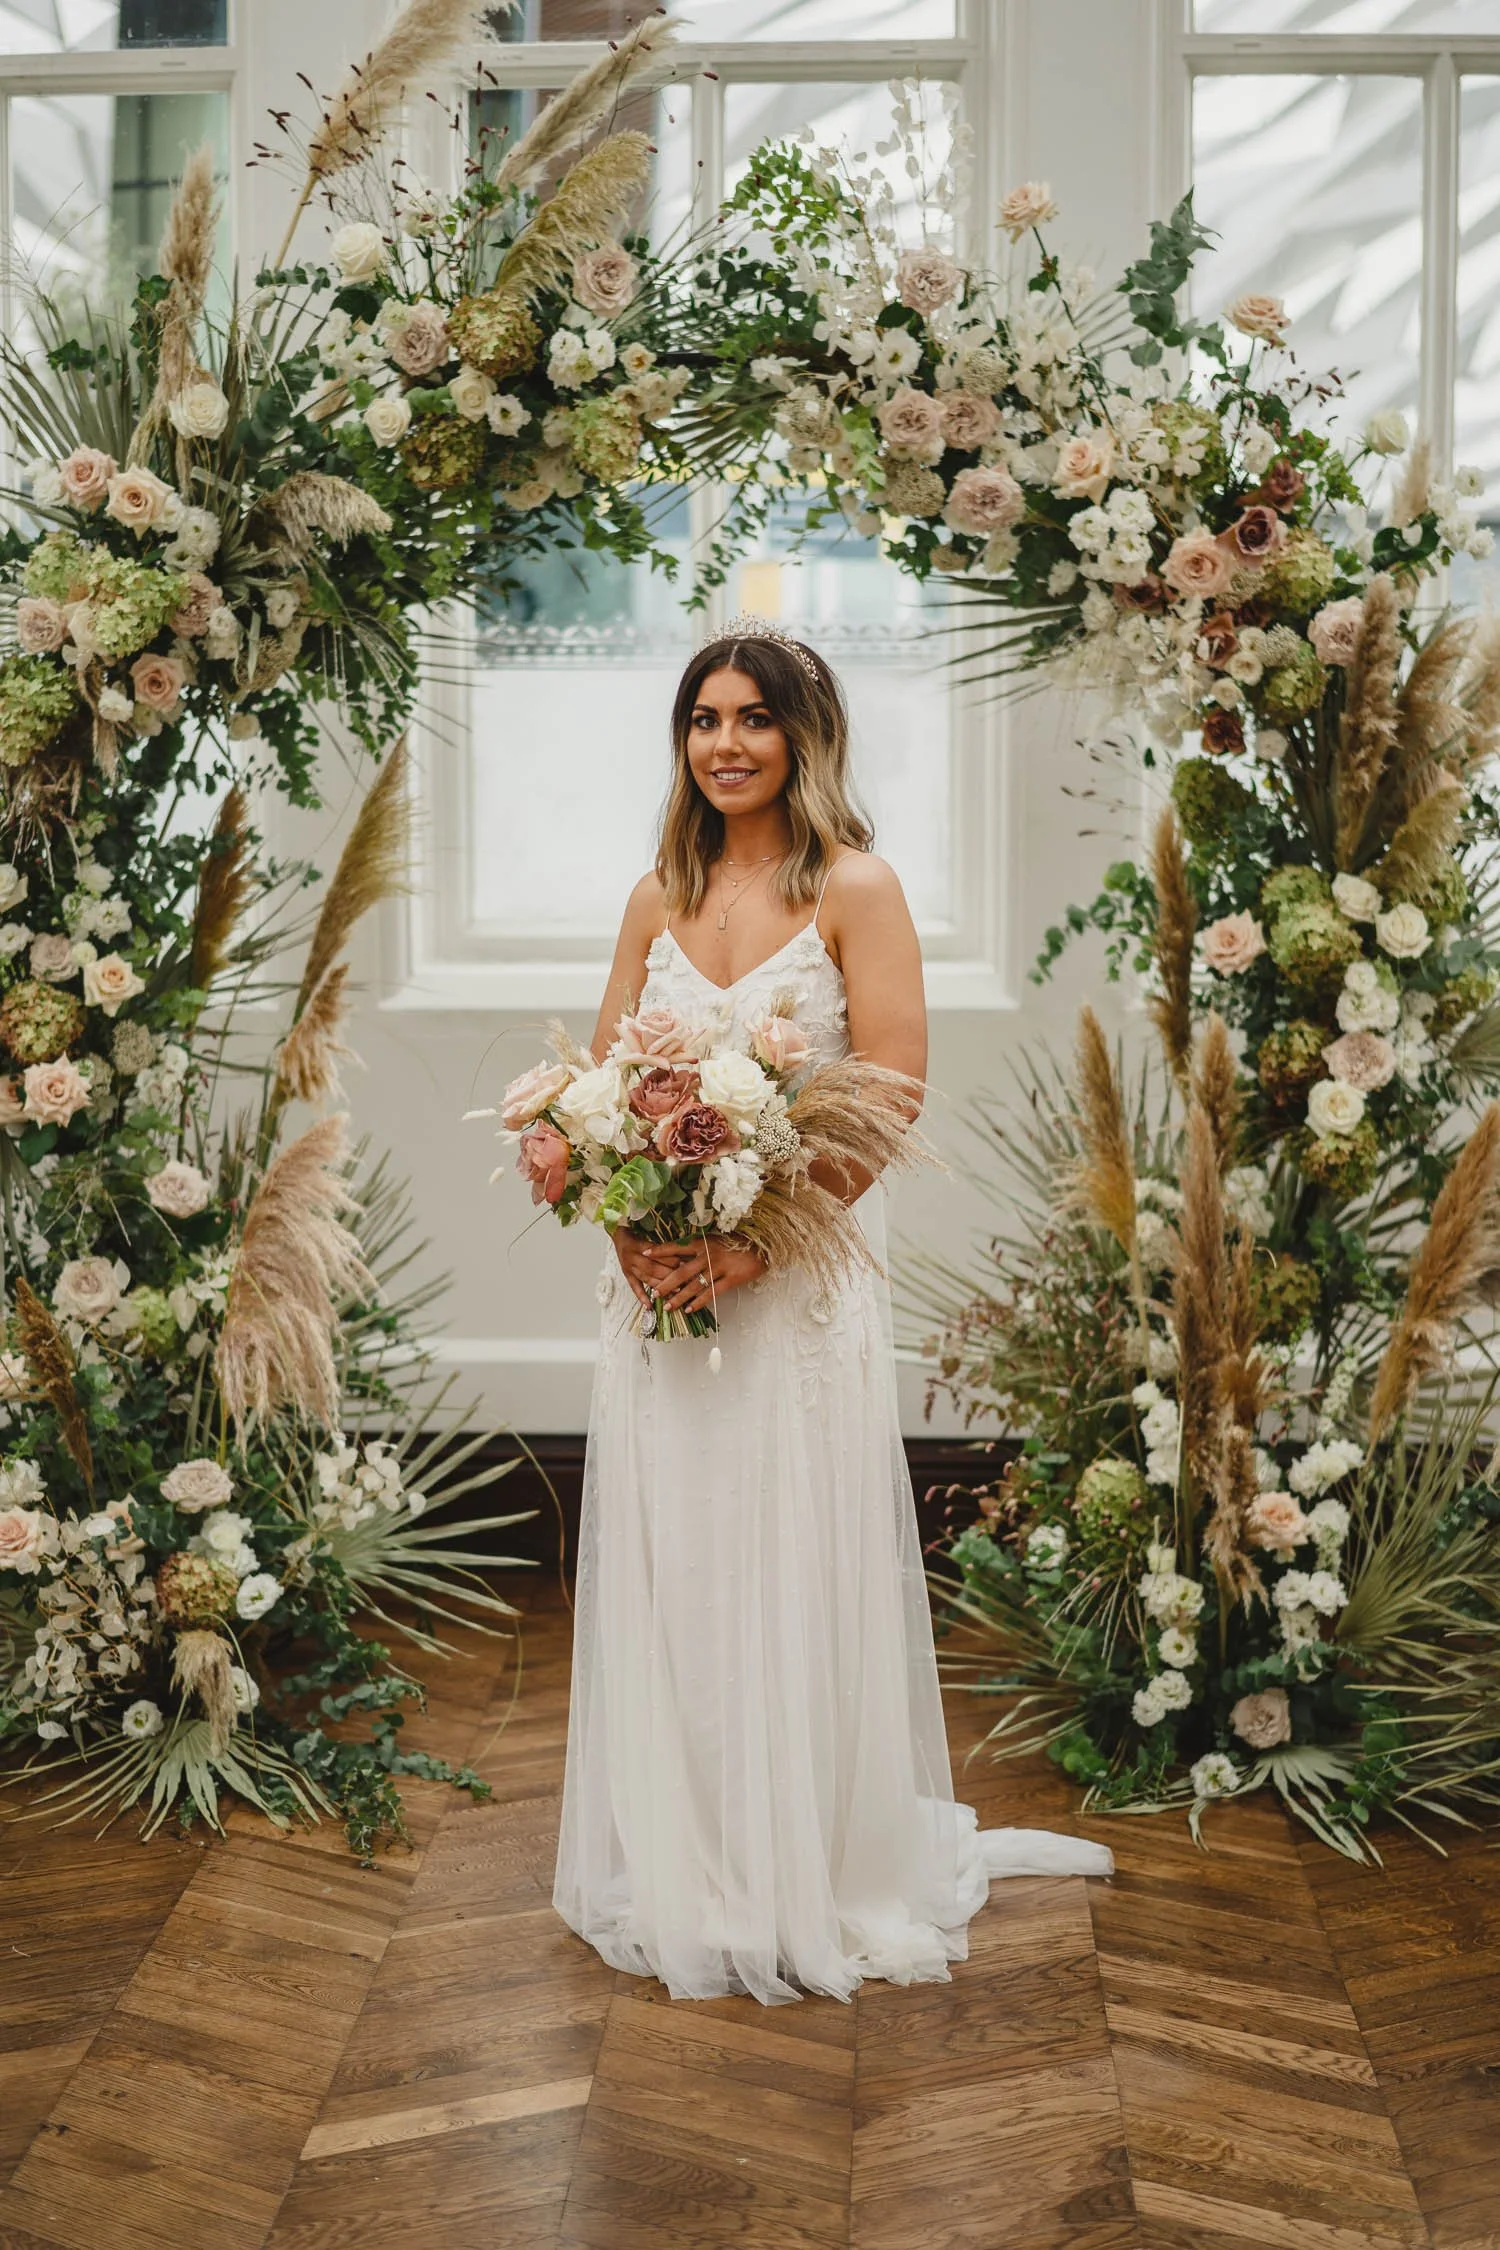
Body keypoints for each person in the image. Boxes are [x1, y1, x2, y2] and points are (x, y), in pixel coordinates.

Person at [551, 617, 1111, 2006]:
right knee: (678, 1559)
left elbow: (893, 1092)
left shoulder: (856, 886)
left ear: (804, 736)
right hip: (659, 1297)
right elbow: (595, 1091)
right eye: (705, 718)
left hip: (790, 1293)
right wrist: (626, 1228)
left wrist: (757, 1249)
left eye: (754, 717)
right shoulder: (655, 894)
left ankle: (807, 1861)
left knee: (785, 1552)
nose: (726, 742)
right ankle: (691, 1856)